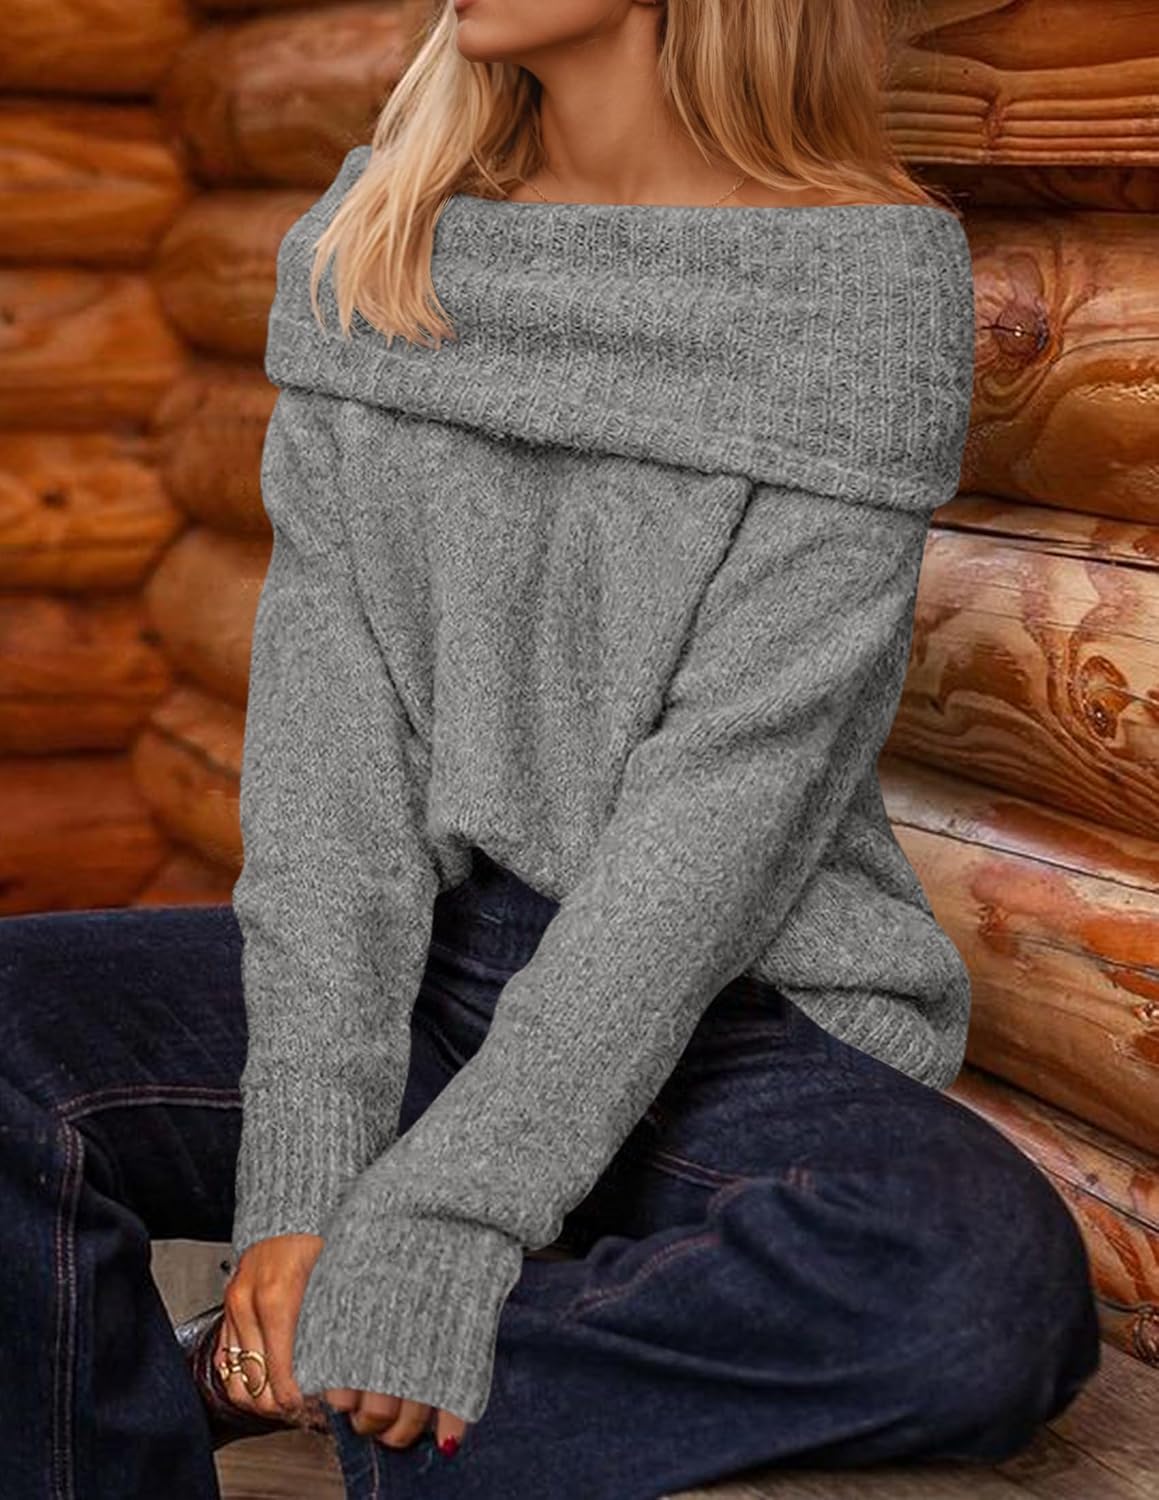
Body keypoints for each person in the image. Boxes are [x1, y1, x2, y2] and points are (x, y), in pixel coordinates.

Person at [0, 2, 1102, 1498]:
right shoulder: (380, 243)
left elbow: (714, 832)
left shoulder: (858, 290)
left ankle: (377, 1384)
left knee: (977, 1286)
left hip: (723, 1002)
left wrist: (437, 1229)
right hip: (437, 963)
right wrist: (302, 1202)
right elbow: (333, 785)